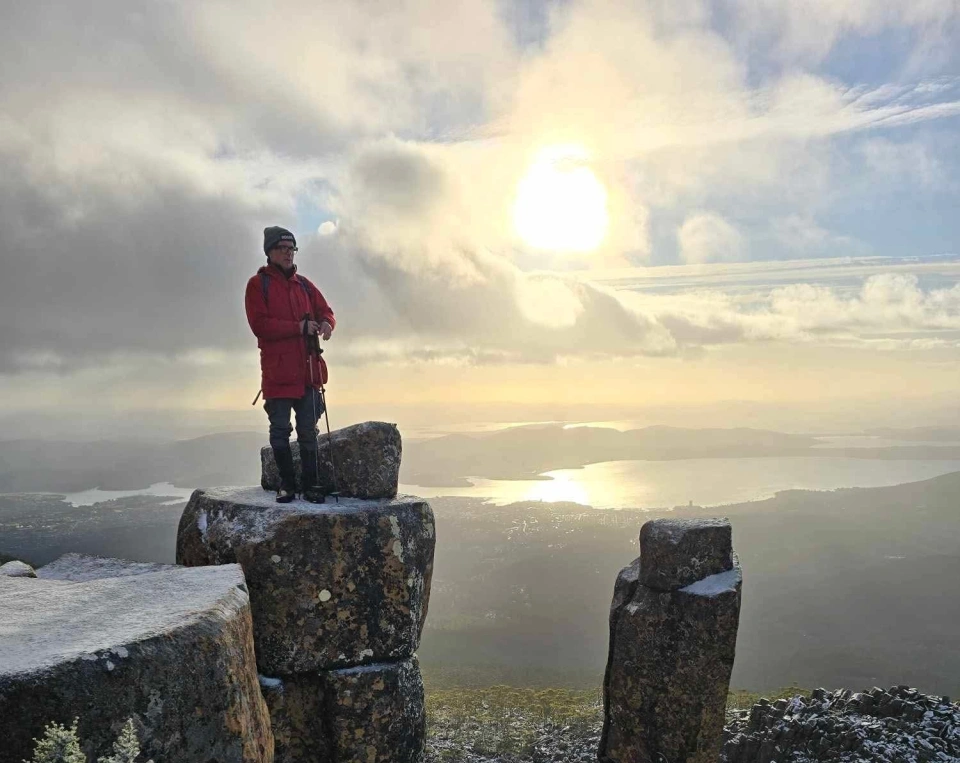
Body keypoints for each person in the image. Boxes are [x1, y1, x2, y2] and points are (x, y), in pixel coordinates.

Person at [245, 226, 335, 503]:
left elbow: (326, 311)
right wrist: (299, 327)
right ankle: (287, 485)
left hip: (307, 373)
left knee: (308, 431)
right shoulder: (258, 285)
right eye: (282, 248)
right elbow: (260, 326)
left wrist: (326, 324)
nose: (288, 253)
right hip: (278, 374)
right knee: (281, 431)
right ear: (270, 252)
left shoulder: (304, 285)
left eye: (291, 249)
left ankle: (311, 486)